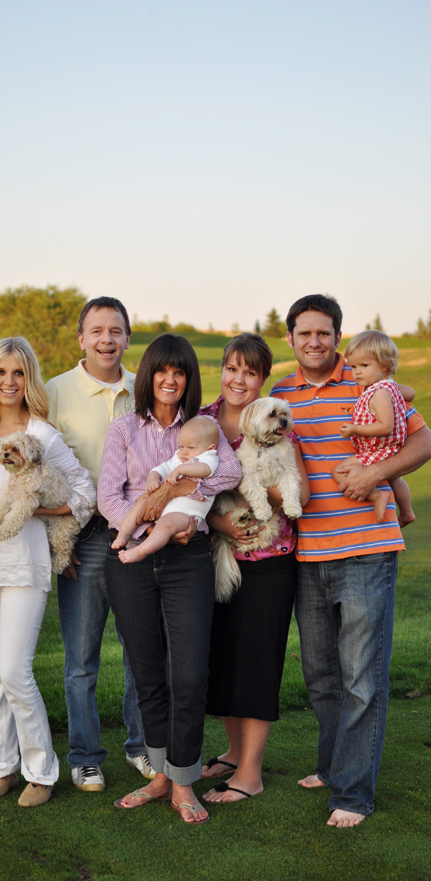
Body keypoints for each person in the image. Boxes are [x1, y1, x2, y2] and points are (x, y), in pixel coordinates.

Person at [272, 294, 431, 827]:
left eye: (324, 332)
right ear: (290, 338)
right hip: (308, 554)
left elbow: (423, 440)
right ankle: (332, 766)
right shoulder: (281, 394)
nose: (314, 341)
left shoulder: (367, 381)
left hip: (366, 550)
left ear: (337, 337)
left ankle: (354, 794)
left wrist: (374, 474)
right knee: (321, 675)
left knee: (361, 677)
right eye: (304, 333)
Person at [0, 337, 95, 807]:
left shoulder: (42, 435)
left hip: (25, 568)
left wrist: (38, 511)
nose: (9, 382)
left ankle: (41, 772)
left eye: (18, 373)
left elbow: (84, 494)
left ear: (29, 379)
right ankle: (2, 767)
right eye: (1, 372)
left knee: (14, 671)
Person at [99, 333, 241, 825]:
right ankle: (160, 775)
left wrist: (181, 492)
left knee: (189, 674)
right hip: (131, 558)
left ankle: (184, 780)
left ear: (188, 379)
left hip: (187, 557)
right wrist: (149, 524)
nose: (170, 379)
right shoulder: (123, 428)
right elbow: (108, 496)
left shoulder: (204, 426)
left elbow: (229, 473)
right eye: (162, 370)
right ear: (149, 375)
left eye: (179, 372)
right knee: (147, 672)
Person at [45, 296, 154, 792]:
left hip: (139, 534)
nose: (106, 340)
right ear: (82, 339)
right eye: (97, 331)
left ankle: (141, 746)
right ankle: (85, 756)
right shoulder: (55, 391)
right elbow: (43, 468)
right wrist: (59, 542)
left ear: (127, 337)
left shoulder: (144, 388)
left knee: (140, 652)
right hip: (83, 536)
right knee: (81, 660)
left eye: (115, 330)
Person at [197, 333, 309, 806]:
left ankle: (251, 773)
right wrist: (220, 522)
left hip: (269, 562)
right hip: (214, 556)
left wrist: (261, 485)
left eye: (250, 372)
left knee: (256, 662)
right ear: (222, 370)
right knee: (221, 658)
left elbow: (300, 490)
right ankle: (233, 751)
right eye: (233, 369)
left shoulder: (279, 426)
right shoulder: (202, 420)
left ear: (264, 379)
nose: (239, 379)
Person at [333, 330, 415, 524]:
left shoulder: (379, 393)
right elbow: (411, 393)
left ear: (385, 365)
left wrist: (354, 429)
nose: (357, 372)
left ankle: (377, 495)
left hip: (380, 448)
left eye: (364, 366)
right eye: (353, 366)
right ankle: (407, 512)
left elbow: (385, 426)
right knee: (395, 479)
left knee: (339, 471)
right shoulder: (389, 385)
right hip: (390, 447)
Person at [112, 415, 219, 563]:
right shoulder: (180, 457)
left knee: (166, 523)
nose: (184, 452)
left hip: (186, 514)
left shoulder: (209, 458)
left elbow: (204, 470)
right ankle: (123, 534)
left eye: (190, 447)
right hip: (163, 506)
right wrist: (153, 478)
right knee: (140, 503)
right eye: (181, 446)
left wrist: (180, 470)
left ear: (210, 448)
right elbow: (163, 468)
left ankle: (141, 551)